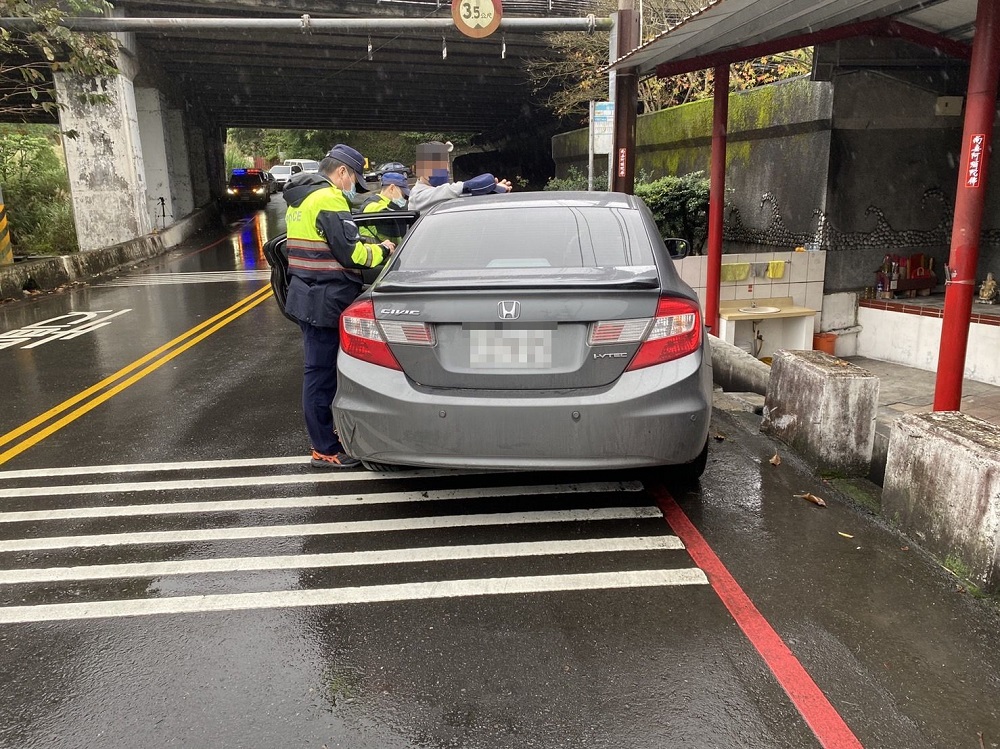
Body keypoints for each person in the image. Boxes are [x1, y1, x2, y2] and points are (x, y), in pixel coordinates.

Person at [283, 144, 395, 469]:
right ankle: (325, 447)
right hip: (325, 300)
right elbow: (352, 254)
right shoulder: (328, 198)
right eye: (353, 179)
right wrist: (383, 250)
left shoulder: (300, 199)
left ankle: (326, 437)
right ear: (342, 172)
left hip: (307, 295)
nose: (352, 187)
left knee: (318, 372)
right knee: (320, 375)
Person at [408, 141, 513, 212]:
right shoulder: (419, 196)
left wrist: (495, 189)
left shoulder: (438, 194)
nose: (447, 169)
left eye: (446, 164)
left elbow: (469, 194)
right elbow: (482, 182)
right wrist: (493, 185)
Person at [359, 171, 410, 246]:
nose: (405, 199)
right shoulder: (379, 209)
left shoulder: (377, 203)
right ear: (392, 188)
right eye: (403, 195)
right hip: (383, 255)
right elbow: (394, 243)